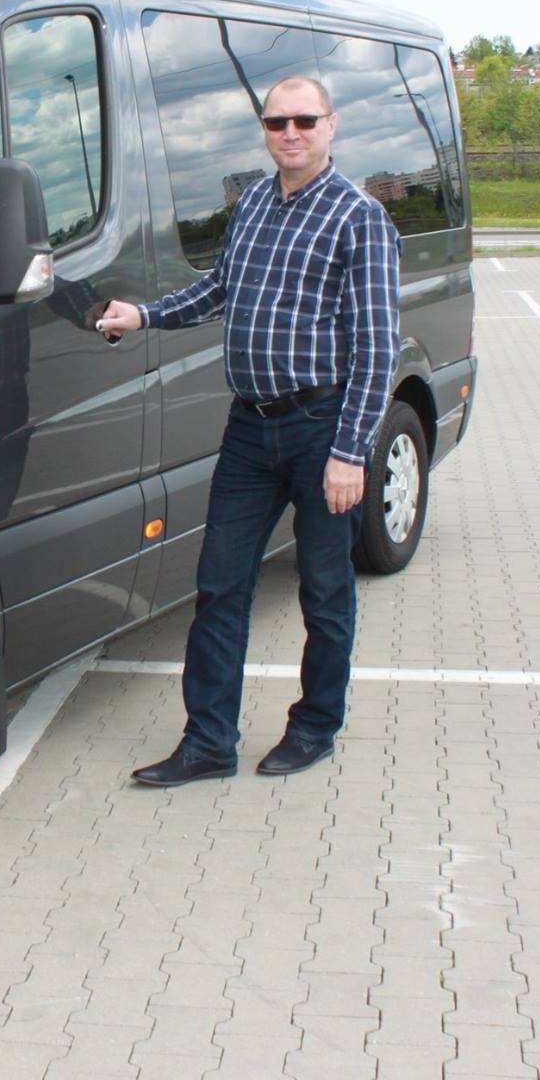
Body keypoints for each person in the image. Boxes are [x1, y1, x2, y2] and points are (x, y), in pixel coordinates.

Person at [95, 74, 400, 785]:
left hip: (323, 430)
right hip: (250, 430)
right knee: (220, 585)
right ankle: (208, 743)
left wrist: (351, 451)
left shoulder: (359, 217)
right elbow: (218, 289)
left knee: (324, 591)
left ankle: (316, 726)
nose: (289, 133)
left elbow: (378, 345)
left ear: (331, 126)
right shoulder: (255, 202)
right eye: (275, 122)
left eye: (303, 120)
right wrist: (144, 316)